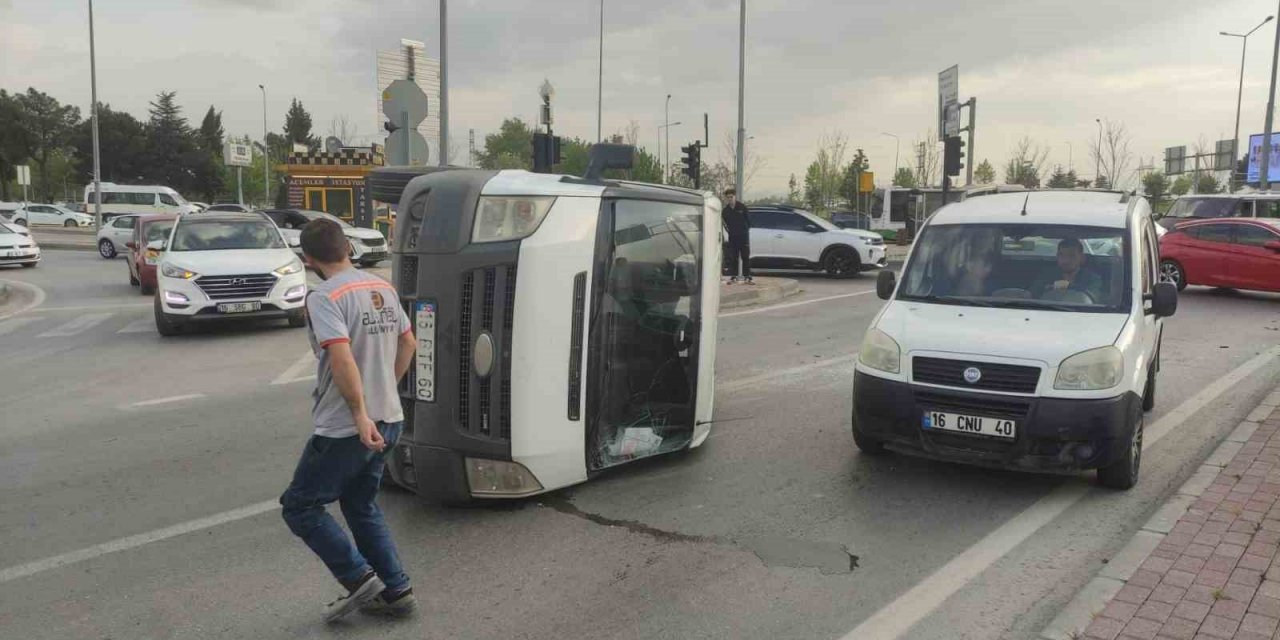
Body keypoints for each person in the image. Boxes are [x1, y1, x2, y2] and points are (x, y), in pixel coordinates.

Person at [279, 219, 418, 622]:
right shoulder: (381, 287)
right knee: (361, 504)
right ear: (348, 248)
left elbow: (340, 355)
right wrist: (385, 390)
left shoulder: (324, 296)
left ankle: (360, 579)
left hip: (346, 427)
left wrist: (360, 413)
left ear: (308, 259)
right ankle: (396, 590)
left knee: (300, 507)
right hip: (390, 418)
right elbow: (408, 341)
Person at [1036, 238, 1103, 302]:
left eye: (1072, 256)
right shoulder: (1047, 275)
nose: (1065, 260)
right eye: (1061, 255)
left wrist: (1064, 286)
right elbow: (1031, 294)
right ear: (1057, 256)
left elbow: (1093, 299)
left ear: (1082, 258)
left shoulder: (1092, 279)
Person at [722, 188, 753, 285]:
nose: (730, 199)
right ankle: (734, 276)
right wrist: (731, 231)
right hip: (733, 237)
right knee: (734, 257)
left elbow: (749, 222)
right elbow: (725, 224)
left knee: (745, 257)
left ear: (735, 197)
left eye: (731, 197)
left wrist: (743, 230)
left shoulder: (742, 207)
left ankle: (747, 277)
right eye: (728, 198)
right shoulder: (725, 211)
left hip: (743, 237)